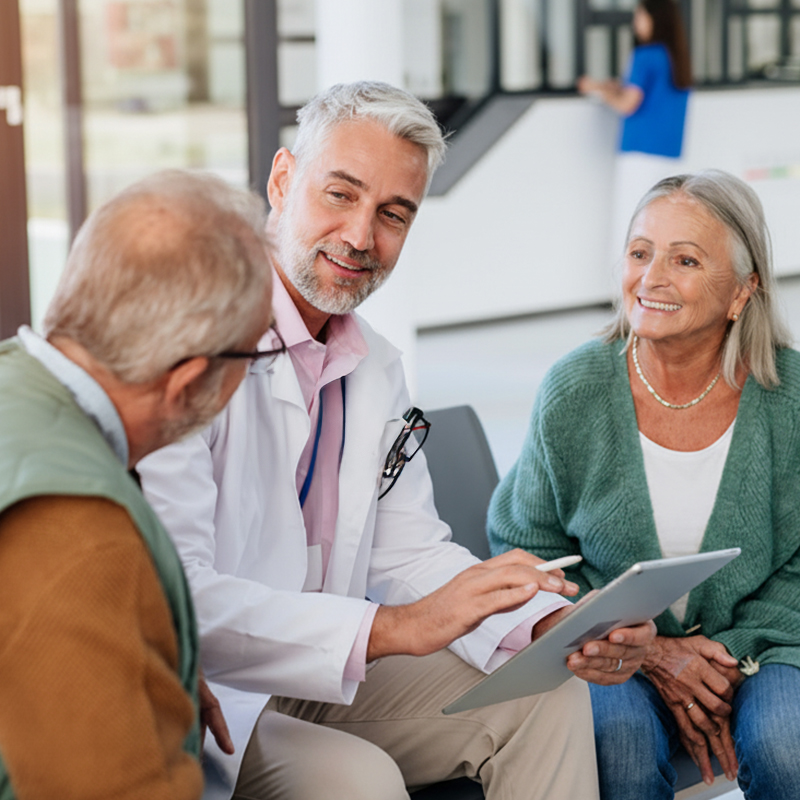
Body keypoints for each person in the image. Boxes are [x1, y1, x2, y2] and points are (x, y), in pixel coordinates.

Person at [138, 81, 655, 800]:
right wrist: (391, 628)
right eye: (340, 195)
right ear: (283, 180)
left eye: (393, 214)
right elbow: (181, 598)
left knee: (544, 697)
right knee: (361, 780)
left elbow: (408, 552)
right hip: (213, 689)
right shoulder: (191, 344)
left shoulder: (374, 365)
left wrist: (547, 627)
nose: (360, 237)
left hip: (325, 673)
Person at [488, 169, 800, 800]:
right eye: (639, 253)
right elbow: (528, 551)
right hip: (610, 647)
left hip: (770, 637)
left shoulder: (788, 396)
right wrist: (653, 652)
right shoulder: (574, 390)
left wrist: (719, 657)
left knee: (784, 745)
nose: (651, 278)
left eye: (684, 259)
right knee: (620, 751)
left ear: (742, 292)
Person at [0, 170, 275, 800]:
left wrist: (146, 659)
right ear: (189, 381)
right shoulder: (78, 531)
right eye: (256, 357)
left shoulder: (14, 389)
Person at [578, 0, 692, 259]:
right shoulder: (676, 57)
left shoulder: (645, 55)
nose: (635, 22)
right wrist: (608, 86)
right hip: (670, 153)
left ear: (655, 18)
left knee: (630, 224)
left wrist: (600, 91)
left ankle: (624, 293)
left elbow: (628, 103)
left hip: (640, 151)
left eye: (640, 16)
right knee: (661, 227)